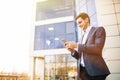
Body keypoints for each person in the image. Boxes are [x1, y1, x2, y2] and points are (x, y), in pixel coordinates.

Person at [64, 12, 110, 80]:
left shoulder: (98, 30)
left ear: (86, 20)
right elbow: (81, 57)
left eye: (80, 22)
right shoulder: (82, 37)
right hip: (83, 72)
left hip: (96, 71)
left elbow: (97, 48)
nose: (79, 25)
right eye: (77, 24)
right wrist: (72, 50)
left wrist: (77, 45)